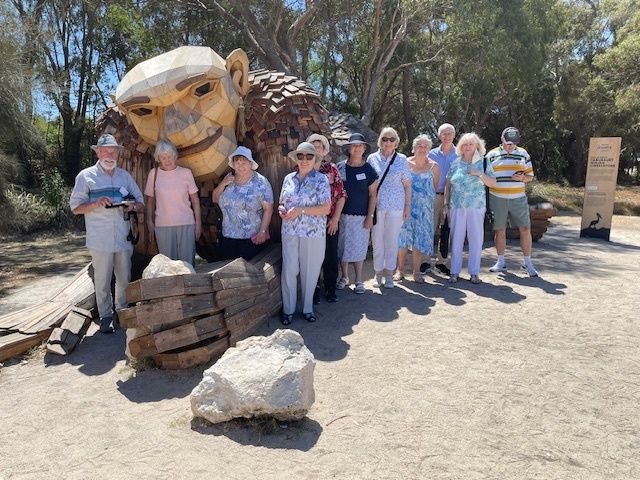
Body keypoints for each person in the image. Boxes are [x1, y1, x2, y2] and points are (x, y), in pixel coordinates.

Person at [69, 134, 144, 333]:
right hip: (99, 239)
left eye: (114, 151)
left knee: (124, 277)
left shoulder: (124, 176)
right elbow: (75, 207)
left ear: (118, 153)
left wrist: (131, 206)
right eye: (106, 150)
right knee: (102, 279)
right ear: (98, 152)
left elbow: (140, 202)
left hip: (122, 236)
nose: (110, 154)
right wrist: (95, 203)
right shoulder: (86, 176)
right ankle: (106, 316)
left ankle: (122, 311)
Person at [279, 142, 331, 325]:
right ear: (296, 159)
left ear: (315, 159)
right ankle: (288, 310)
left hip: (313, 234)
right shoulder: (288, 179)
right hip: (290, 231)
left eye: (309, 156)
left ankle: (307, 308)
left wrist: (301, 210)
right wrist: (281, 210)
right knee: (289, 269)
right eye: (300, 156)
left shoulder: (321, 180)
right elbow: (282, 202)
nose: (304, 160)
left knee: (310, 272)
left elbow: (326, 208)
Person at [443, 133, 496, 284]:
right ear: (460, 147)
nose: (467, 147)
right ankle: (454, 272)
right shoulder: (455, 163)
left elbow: (493, 183)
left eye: (471, 144)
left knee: (475, 240)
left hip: (476, 207)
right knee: (456, 240)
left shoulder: (484, 163)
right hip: (456, 206)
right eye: (464, 144)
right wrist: (446, 204)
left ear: (477, 146)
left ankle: (474, 273)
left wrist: (479, 173)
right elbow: (448, 184)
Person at [486, 127, 539, 277]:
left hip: (518, 198)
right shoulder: (491, 155)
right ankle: (501, 262)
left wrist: (522, 178)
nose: (511, 146)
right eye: (508, 143)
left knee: (525, 229)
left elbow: (530, 176)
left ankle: (527, 262)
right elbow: (486, 178)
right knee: (500, 229)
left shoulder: (523, 154)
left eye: (514, 143)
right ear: (502, 140)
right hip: (497, 197)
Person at [144, 139, 201, 266]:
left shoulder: (186, 173)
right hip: (162, 226)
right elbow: (150, 201)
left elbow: (195, 200)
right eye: (163, 157)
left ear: (174, 155)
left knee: (187, 265)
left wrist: (198, 223)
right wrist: (149, 221)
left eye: (169, 156)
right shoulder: (154, 174)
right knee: (168, 266)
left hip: (186, 223)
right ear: (158, 158)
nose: (167, 160)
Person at [367, 127, 411, 289]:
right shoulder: (372, 158)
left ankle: (389, 275)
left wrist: (407, 206)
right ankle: (378, 273)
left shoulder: (402, 159)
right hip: (377, 207)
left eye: (392, 139)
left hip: (396, 207)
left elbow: (407, 185)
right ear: (380, 140)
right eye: (385, 139)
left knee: (392, 242)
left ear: (396, 142)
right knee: (377, 241)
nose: (388, 142)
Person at [212, 146, 274, 260]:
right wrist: (222, 184)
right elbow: (215, 199)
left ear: (251, 163)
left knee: (248, 274)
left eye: (244, 162)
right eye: (237, 162)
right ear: (233, 164)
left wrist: (262, 231)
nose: (240, 166)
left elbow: (268, 209)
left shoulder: (260, 182)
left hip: (250, 239)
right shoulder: (228, 178)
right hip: (228, 236)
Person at [336, 133, 378, 294]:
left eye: (360, 145)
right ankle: (344, 277)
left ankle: (359, 280)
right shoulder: (340, 167)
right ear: (349, 148)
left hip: (361, 217)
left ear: (364, 148)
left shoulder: (368, 169)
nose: (357, 148)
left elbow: (373, 194)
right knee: (343, 247)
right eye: (354, 145)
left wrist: (370, 216)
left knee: (359, 248)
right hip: (342, 216)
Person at [307, 133, 346, 303]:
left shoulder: (331, 169)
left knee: (330, 256)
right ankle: (313, 289)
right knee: (311, 257)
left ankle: (330, 288)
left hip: (329, 221)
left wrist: (335, 219)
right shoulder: (301, 169)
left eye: (320, 147)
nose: (316, 150)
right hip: (308, 223)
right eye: (313, 147)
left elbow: (341, 195)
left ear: (324, 150)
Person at [395, 135, 440, 283]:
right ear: (413, 148)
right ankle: (399, 270)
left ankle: (416, 271)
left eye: (425, 146)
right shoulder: (404, 163)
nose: (422, 148)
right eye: (419, 145)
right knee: (402, 239)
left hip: (424, 211)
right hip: (406, 208)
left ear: (429, 149)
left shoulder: (434, 167)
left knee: (419, 240)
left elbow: (433, 188)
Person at [425, 122, 457, 275]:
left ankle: (442, 262)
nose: (446, 136)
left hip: (452, 198)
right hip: (433, 195)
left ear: (454, 135)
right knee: (429, 228)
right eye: (444, 133)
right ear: (439, 136)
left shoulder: (460, 154)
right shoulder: (430, 154)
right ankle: (425, 261)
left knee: (446, 230)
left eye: (449, 133)